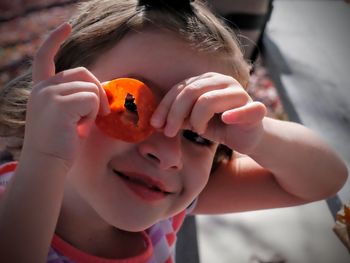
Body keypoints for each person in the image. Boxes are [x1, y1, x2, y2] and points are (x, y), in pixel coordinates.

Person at [0, 0, 347, 262]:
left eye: (196, 132)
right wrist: (45, 159)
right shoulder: (13, 212)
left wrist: (259, 136)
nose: (167, 154)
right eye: (130, 106)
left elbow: (325, 180)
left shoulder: (168, 202)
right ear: (59, 98)